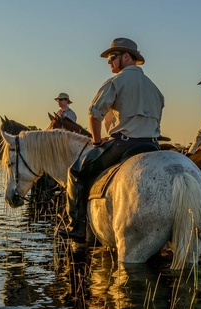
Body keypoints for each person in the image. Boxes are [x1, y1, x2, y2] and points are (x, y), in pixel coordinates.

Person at [59, 37, 164, 241]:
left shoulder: (116, 82)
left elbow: (94, 114)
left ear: (126, 57)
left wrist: (97, 141)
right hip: (152, 145)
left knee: (75, 172)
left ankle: (76, 227)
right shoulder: (155, 88)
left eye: (112, 58)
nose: (109, 62)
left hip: (124, 144)